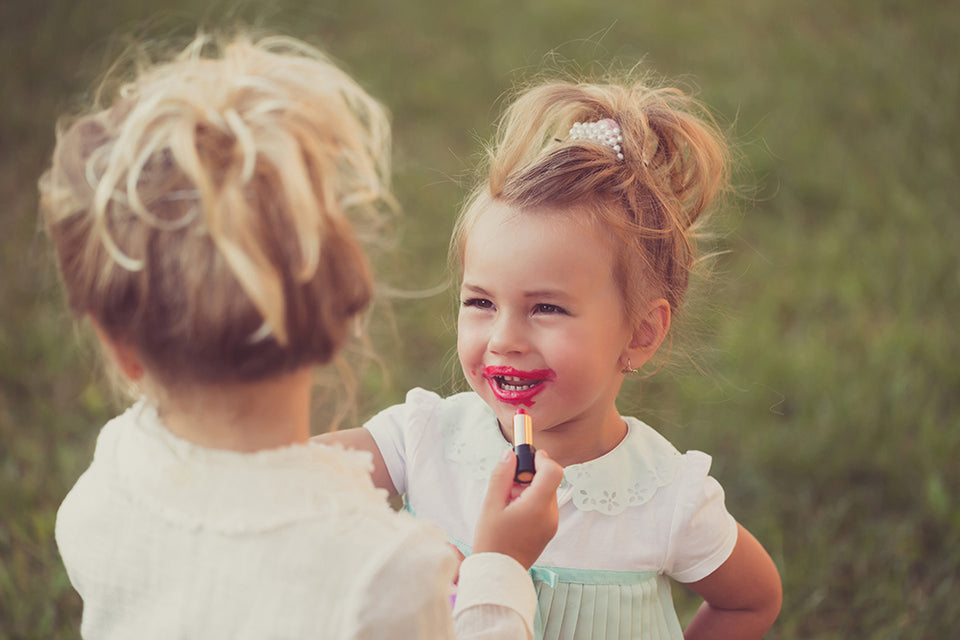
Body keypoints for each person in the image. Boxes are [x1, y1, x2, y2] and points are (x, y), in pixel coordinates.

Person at [40, 30, 564, 639]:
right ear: (343, 309)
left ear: (118, 344)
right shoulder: (385, 571)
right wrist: (499, 566)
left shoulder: (106, 484)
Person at [320, 76, 783, 639]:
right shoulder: (421, 440)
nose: (505, 338)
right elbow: (282, 471)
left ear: (639, 333)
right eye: (481, 302)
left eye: (546, 308)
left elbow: (752, 600)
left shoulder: (665, 498)